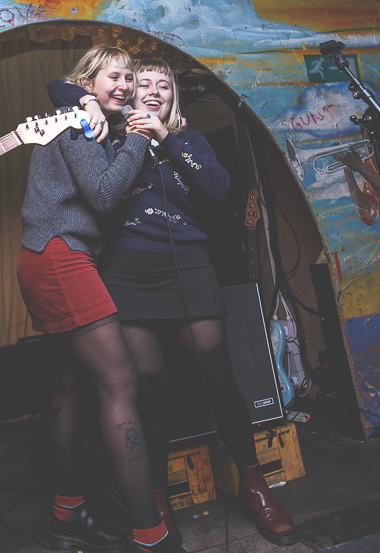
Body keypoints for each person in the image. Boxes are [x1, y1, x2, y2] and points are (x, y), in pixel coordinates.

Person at [51, 60, 297, 546]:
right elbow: (58, 88)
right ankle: (156, 496)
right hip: (127, 270)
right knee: (150, 389)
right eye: (143, 84)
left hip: (188, 264)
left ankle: (253, 483)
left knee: (219, 375)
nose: (155, 91)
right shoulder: (102, 131)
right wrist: (88, 102)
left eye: (165, 86)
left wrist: (165, 136)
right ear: (124, 92)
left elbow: (221, 190)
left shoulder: (187, 141)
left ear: (174, 99)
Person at [16, 46, 185, 553]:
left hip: (51, 255)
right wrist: (135, 137)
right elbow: (106, 195)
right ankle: (151, 534)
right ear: (88, 81)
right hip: (61, 257)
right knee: (119, 382)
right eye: (116, 76)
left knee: (71, 386)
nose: (127, 86)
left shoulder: (89, 118)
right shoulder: (77, 123)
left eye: (131, 78)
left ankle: (67, 511)